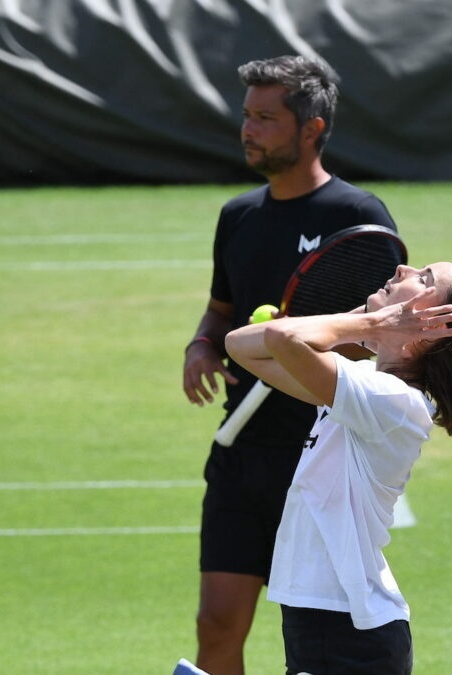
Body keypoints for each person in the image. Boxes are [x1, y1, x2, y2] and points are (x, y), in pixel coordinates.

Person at [181, 55, 397, 674]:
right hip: (241, 450)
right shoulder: (238, 216)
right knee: (216, 622)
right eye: (247, 116)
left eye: (267, 118)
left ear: (313, 128)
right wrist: (201, 346)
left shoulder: (357, 218)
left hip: (317, 456)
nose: (249, 129)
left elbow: (377, 338)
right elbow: (220, 311)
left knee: (313, 640)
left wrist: (300, 351)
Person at [225, 262, 452, 674]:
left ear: (431, 329)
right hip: (327, 621)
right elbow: (240, 345)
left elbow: (281, 337)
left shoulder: (392, 402)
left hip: (346, 633)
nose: (402, 268)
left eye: (425, 278)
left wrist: (375, 322)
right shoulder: (363, 383)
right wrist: (375, 321)